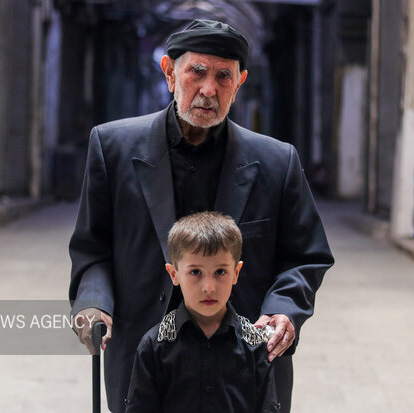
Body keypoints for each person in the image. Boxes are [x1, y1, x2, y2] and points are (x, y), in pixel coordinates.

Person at [69, 19, 334, 413]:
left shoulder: (277, 162)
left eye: (223, 76)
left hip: (245, 366)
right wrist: (93, 302)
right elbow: (93, 247)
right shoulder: (112, 147)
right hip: (145, 361)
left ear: (239, 81)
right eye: (197, 71)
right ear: (170, 72)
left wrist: (284, 310)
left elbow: (306, 256)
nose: (209, 89)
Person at [125, 212, 279, 413]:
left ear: (236, 273)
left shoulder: (255, 344)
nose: (209, 287)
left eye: (220, 272)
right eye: (195, 272)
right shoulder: (154, 346)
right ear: (174, 274)